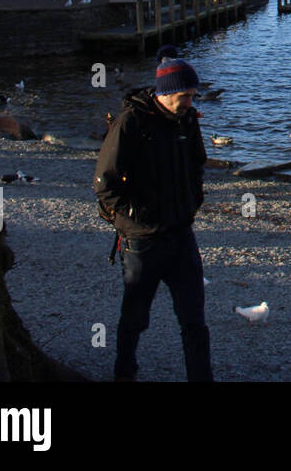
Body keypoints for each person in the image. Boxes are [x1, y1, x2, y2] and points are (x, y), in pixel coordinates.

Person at [93, 54, 212, 382]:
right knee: (134, 316)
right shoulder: (130, 122)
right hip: (141, 239)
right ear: (164, 92)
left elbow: (197, 161)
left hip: (181, 233)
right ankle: (124, 373)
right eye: (184, 96)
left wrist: (192, 200)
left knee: (194, 320)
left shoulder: (187, 119)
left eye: (192, 95)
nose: (190, 102)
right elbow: (105, 180)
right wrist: (129, 217)